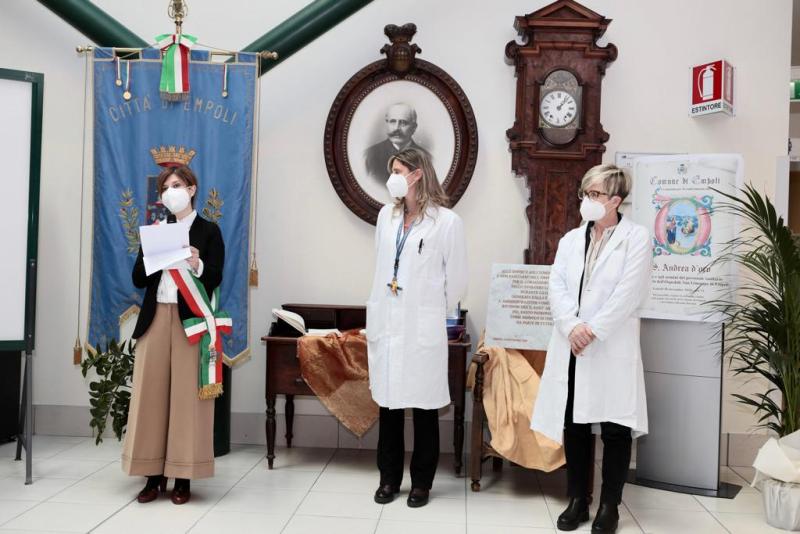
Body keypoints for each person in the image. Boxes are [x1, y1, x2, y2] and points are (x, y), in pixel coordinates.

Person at [531, 164, 650, 533]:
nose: (587, 200)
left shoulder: (636, 238)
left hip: (611, 343)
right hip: (573, 345)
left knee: (615, 428)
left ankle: (609, 506)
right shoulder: (570, 240)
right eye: (585, 193)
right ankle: (578, 500)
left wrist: (592, 330)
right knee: (576, 424)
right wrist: (572, 327)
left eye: (595, 194)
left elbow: (628, 293)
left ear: (616, 200)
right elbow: (556, 287)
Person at [366, 146, 467, 508]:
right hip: (388, 322)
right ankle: (388, 479)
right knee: (389, 407)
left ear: (417, 174)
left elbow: (457, 282)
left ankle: (421, 483)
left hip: (422, 328)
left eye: (397, 171)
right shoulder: (386, 216)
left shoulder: (447, 222)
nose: (392, 177)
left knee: (425, 409)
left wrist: (431, 313)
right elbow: (382, 265)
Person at [122, 165, 225, 505]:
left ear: (192, 189)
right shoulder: (156, 231)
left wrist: (196, 264)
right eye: (165, 188)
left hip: (189, 322)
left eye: (177, 185)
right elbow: (138, 278)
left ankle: (183, 476)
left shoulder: (209, 231)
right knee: (150, 397)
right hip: (155, 318)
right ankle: (152, 475)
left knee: (187, 399)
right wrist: (154, 258)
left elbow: (215, 276)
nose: (170, 193)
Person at [364, 103, 432, 181]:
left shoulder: (427, 159)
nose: (396, 128)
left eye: (403, 122)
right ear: (387, 124)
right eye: (392, 121)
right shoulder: (369, 155)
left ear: (414, 127)